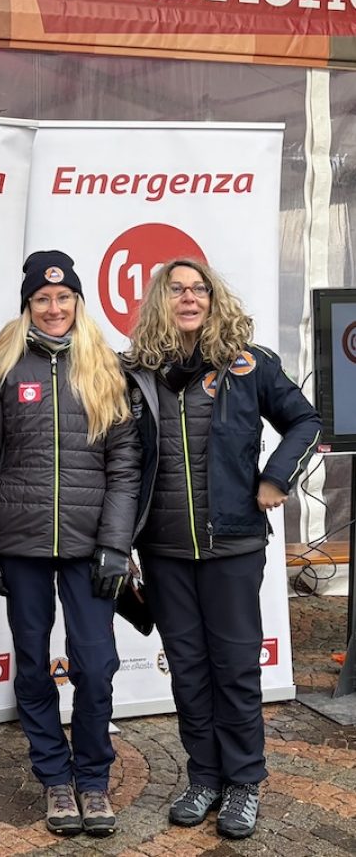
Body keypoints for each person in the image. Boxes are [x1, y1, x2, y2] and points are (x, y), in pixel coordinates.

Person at [124, 259, 320, 840]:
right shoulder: (138, 371)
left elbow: (306, 421)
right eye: (177, 290)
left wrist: (276, 477)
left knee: (234, 669)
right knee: (187, 669)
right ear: (162, 300)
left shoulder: (248, 363)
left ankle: (243, 782)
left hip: (232, 544)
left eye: (199, 289)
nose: (189, 298)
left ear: (213, 298)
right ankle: (203, 776)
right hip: (162, 548)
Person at [0, 251, 140, 838]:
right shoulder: (4, 366)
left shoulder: (105, 367)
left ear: (78, 303)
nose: (54, 307)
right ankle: (55, 780)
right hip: (22, 544)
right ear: (28, 305)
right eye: (43, 299)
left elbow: (125, 463)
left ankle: (92, 779)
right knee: (33, 666)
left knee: (96, 665)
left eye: (64, 298)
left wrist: (116, 545)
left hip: (92, 548)